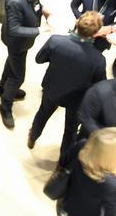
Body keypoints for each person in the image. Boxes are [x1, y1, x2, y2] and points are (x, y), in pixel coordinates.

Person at [28, 12, 106, 157]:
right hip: (77, 99)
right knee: (71, 129)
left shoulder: (56, 41)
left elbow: (39, 59)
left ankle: (33, 137)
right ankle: (63, 160)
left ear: (77, 23)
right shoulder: (98, 59)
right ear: (96, 33)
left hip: (52, 89)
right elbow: (100, 85)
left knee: (42, 114)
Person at [0, 0, 54, 129]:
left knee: (12, 62)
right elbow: (14, 29)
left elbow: (33, 3)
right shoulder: (16, 0)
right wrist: (40, 29)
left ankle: (3, 87)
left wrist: (43, 10)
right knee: (18, 77)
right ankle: (5, 105)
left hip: (21, 42)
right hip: (16, 41)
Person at [59, 127, 116, 216]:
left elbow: (63, 161)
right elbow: (112, 215)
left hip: (71, 205)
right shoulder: (111, 184)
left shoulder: (82, 146)